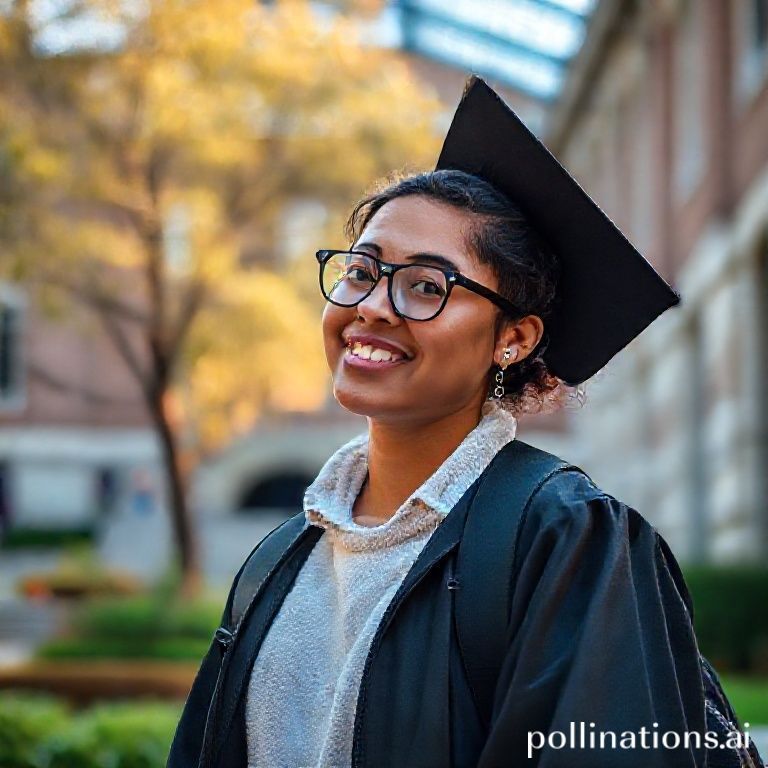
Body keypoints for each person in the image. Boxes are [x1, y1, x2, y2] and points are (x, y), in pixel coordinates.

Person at [167, 77, 762, 768]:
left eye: (426, 286)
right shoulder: (282, 557)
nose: (372, 307)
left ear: (513, 338)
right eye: (361, 271)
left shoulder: (564, 540)